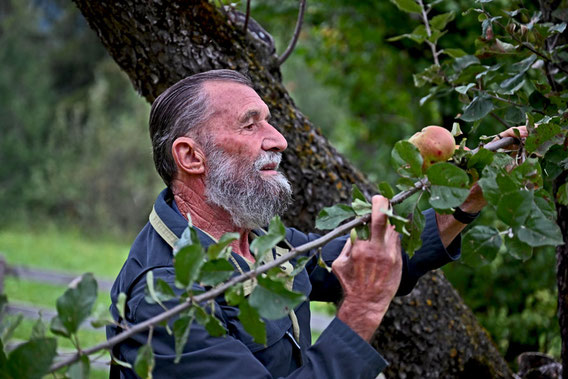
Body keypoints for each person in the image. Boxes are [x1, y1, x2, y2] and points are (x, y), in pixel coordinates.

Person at [107, 69, 526, 378]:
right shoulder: (166, 299)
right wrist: (361, 310)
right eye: (250, 124)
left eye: (268, 120)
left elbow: (372, 258)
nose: (278, 139)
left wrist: (468, 200)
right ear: (191, 157)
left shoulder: (259, 243)